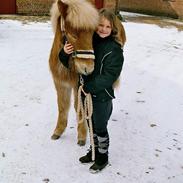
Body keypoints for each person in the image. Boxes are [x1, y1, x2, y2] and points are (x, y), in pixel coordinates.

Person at [59, 8, 125, 173]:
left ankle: (102, 156)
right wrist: (64, 54)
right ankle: (93, 151)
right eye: (100, 25)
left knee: (100, 128)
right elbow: (74, 66)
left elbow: (110, 76)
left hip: (102, 97)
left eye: (107, 27)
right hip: (85, 94)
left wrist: (89, 87)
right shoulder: (90, 43)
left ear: (113, 29)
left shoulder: (115, 50)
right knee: (91, 124)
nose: (103, 29)